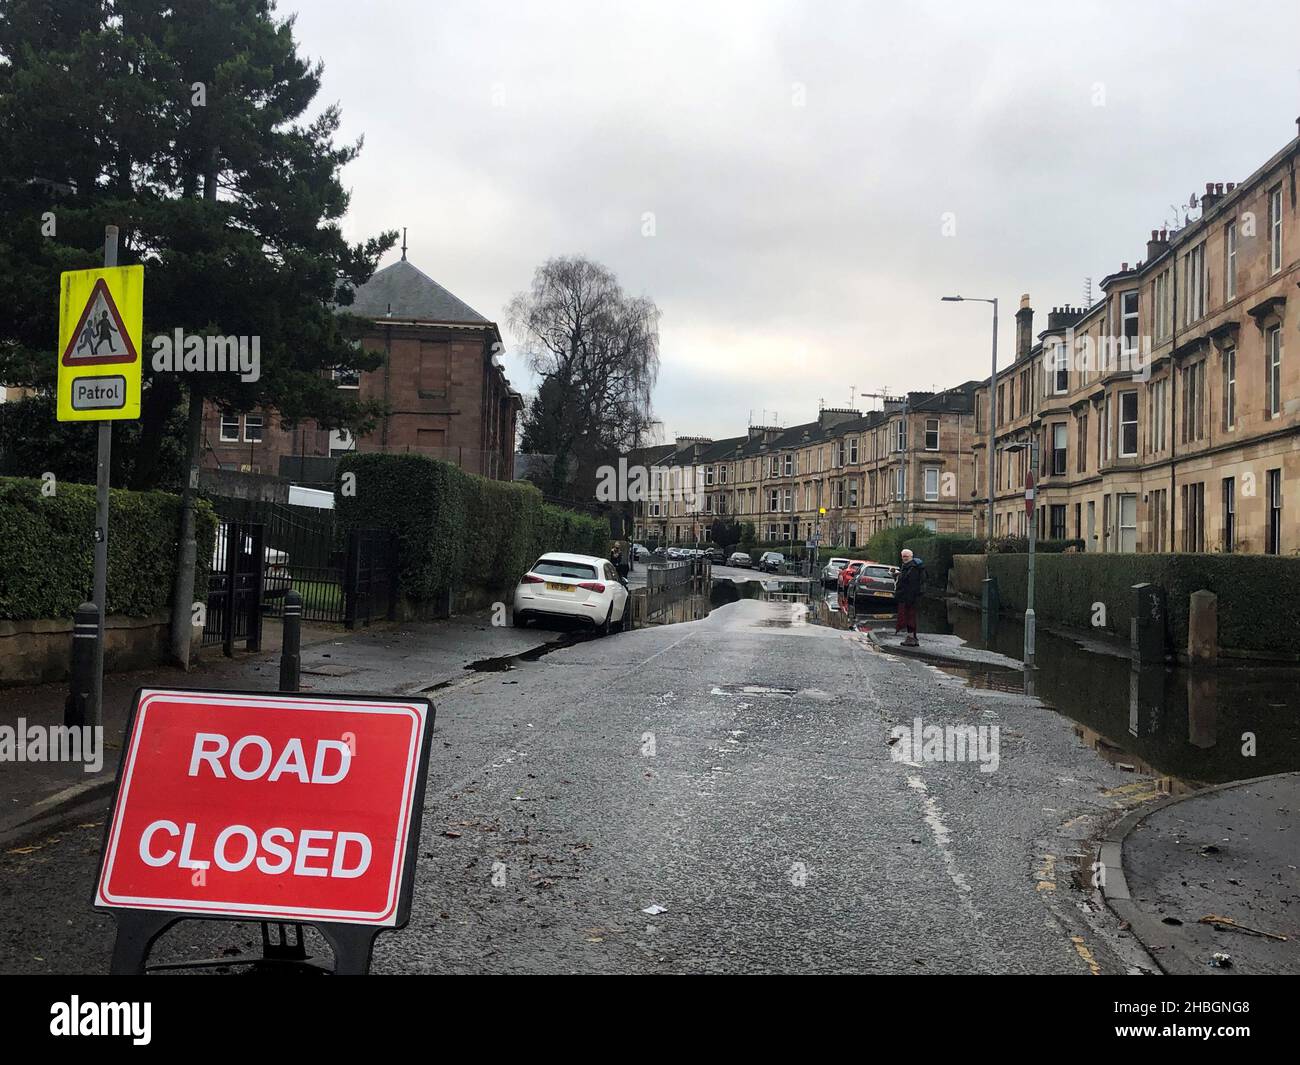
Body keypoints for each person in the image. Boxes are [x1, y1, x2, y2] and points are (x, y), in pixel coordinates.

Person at [894, 548, 924, 646]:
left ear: (911, 557)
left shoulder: (912, 568)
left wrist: (909, 599)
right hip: (906, 597)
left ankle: (911, 639)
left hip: (909, 598)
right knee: (909, 617)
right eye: (903, 556)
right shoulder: (907, 566)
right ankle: (913, 638)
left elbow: (912, 585)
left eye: (906, 556)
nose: (904, 558)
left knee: (908, 618)